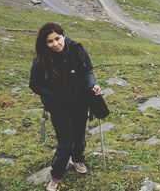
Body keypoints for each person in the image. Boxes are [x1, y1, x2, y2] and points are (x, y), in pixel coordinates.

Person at [29, 22, 101, 191]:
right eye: (50, 41)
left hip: (80, 101)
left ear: (63, 36)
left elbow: (88, 70)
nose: (55, 44)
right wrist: (54, 96)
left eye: (57, 39)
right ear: (44, 44)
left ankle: (77, 159)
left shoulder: (77, 49)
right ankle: (56, 175)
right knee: (65, 142)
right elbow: (34, 84)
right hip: (58, 106)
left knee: (79, 136)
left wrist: (93, 85)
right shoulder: (41, 60)